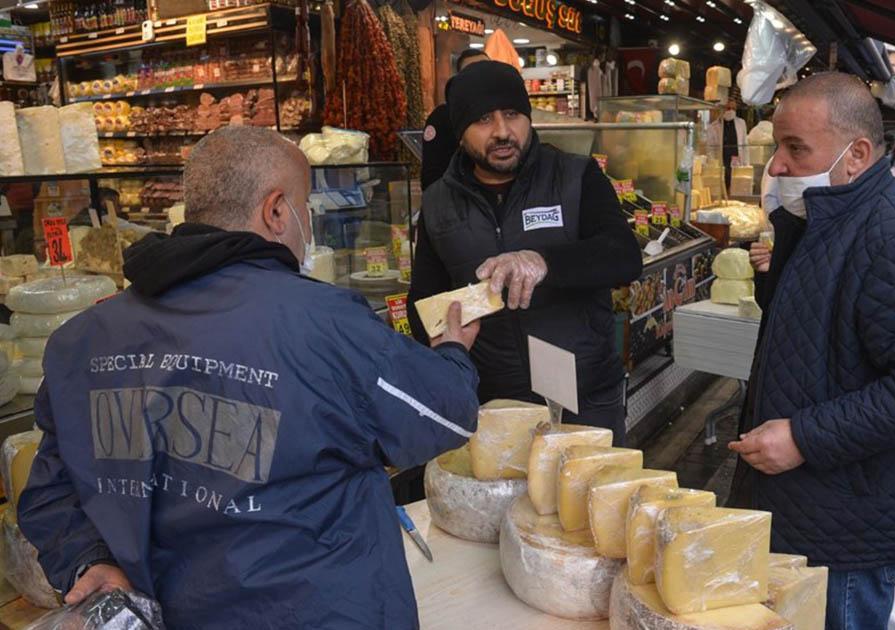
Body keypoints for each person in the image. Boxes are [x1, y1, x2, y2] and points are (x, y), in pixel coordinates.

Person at [17, 126, 482, 630]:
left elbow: (48, 489)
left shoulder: (84, 339)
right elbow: (445, 413)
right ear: (277, 210)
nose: (309, 224)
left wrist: (88, 559)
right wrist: (453, 349)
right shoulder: (323, 322)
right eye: (307, 208)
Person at [724, 71, 895, 630]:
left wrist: (802, 437)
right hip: (817, 504)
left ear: (856, 154)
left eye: (795, 149)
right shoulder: (822, 220)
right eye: (777, 148)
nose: (777, 166)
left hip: (851, 521)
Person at [407, 61, 642, 445]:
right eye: (483, 119)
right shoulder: (437, 204)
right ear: (461, 133)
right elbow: (424, 300)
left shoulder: (575, 175)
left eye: (513, 114)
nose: (502, 131)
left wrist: (544, 261)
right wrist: (445, 342)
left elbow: (623, 257)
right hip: (493, 405)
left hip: (583, 398)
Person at [420, 49, 490, 190]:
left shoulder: (502, 112)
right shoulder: (442, 117)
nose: (480, 76)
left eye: (486, 70)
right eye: (472, 71)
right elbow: (432, 174)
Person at [704, 99, 747, 191]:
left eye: (734, 108)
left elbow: (744, 145)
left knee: (736, 189)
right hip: (721, 162)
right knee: (722, 189)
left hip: (737, 163)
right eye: (728, 108)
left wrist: (746, 164)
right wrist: (712, 164)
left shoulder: (741, 123)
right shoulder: (713, 126)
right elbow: (710, 148)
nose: (731, 111)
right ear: (722, 109)